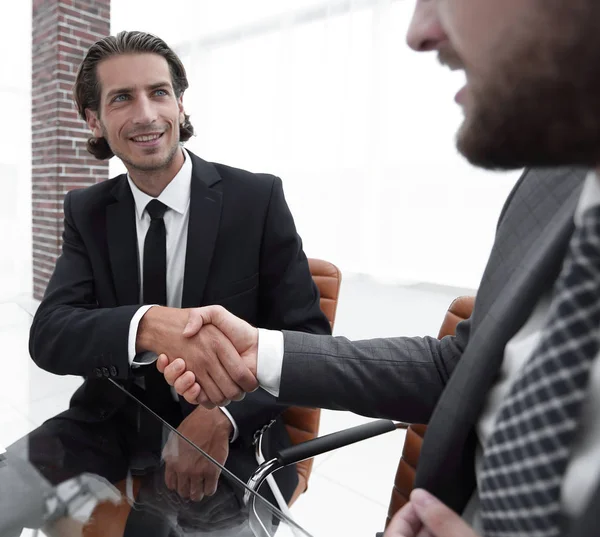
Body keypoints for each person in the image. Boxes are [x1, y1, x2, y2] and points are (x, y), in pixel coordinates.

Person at [160, 0, 600, 536]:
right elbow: (454, 369)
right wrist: (261, 351)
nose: (418, 32)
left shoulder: (256, 197)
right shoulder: (551, 185)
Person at [24, 29, 330, 528]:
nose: (145, 114)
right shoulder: (88, 211)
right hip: (108, 424)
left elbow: (310, 341)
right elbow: (50, 334)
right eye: (122, 98)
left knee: (158, 529)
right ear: (94, 122)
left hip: (232, 440)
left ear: (181, 107)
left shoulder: (257, 200)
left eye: (159, 92)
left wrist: (223, 417)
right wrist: (146, 326)